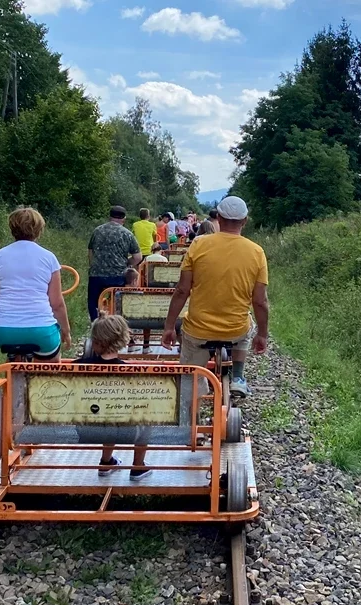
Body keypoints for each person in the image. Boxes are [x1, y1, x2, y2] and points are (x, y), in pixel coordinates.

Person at [162, 196, 268, 398]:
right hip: (235, 331)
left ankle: (194, 398)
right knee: (248, 323)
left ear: (218, 217)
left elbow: (182, 291)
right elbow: (260, 301)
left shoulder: (198, 245)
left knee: (188, 380)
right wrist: (262, 334)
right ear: (244, 221)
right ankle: (237, 377)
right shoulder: (257, 252)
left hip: (198, 331)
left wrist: (169, 326)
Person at [0, 207, 71, 362]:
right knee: (52, 365)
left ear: (12, 229)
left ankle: (10, 381)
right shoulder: (49, 258)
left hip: (1, 331)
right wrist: (66, 331)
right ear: (39, 229)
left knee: (12, 362)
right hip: (40, 330)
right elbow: (56, 304)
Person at [73, 315, 151, 479]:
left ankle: (106, 462)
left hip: (83, 430)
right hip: (124, 432)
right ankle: (138, 467)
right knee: (141, 414)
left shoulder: (75, 367)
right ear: (122, 339)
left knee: (104, 413)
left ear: (94, 341)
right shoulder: (130, 374)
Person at [88, 206, 142, 321]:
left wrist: (94, 266)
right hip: (117, 276)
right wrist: (126, 263)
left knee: (94, 302)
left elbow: (91, 252)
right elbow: (138, 257)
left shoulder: (97, 231)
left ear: (109, 217)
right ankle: (116, 326)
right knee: (117, 303)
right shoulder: (127, 234)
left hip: (96, 275)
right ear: (124, 219)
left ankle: (95, 325)